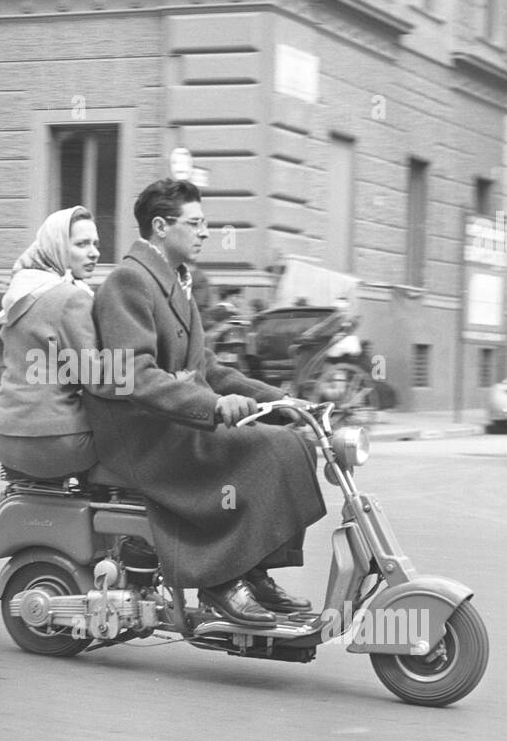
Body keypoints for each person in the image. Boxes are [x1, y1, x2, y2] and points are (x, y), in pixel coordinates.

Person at [83, 179, 326, 628]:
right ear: (160, 226)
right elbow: (133, 374)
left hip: (171, 420)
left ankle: (252, 571)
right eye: (195, 223)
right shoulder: (129, 282)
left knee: (296, 443)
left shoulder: (175, 282)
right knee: (265, 450)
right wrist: (213, 408)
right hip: (141, 433)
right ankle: (219, 581)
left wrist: (284, 400)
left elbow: (208, 369)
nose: (205, 232)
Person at [0, 207, 100, 479]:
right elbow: (96, 377)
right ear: (58, 247)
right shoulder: (72, 297)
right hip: (54, 441)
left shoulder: (22, 288)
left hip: (0, 433)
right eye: (82, 244)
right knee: (139, 444)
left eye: (96, 244)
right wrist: (139, 374)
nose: (94, 252)